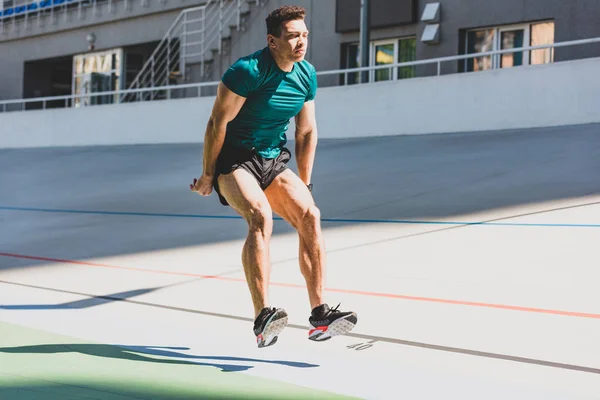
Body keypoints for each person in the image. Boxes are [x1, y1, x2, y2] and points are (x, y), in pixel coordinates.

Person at [190, 5, 357, 348]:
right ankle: (263, 314)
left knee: (310, 215)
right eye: (293, 36)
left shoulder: (305, 74)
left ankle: (320, 314)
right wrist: (208, 174)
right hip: (235, 161)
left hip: (272, 161)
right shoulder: (246, 71)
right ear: (272, 41)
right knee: (259, 216)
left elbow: (306, 132)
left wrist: (306, 185)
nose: (301, 43)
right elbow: (216, 123)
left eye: (305, 36)